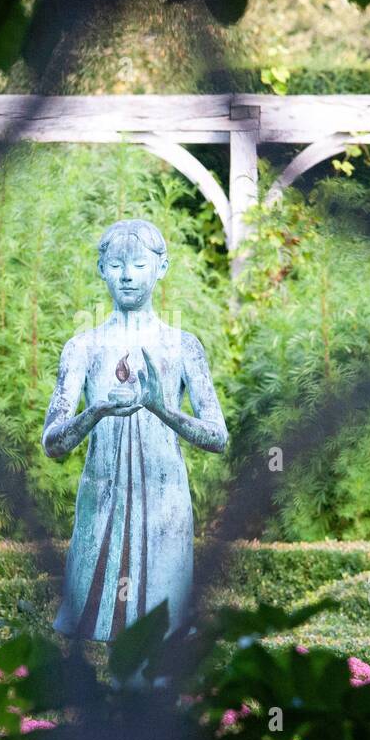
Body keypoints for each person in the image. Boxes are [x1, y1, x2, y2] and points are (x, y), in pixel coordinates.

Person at [42, 218, 227, 641]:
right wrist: (97, 410)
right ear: (101, 269)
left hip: (165, 507)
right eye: (117, 264)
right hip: (101, 502)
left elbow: (217, 436)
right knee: (89, 634)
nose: (127, 275)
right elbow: (53, 443)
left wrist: (163, 410)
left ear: (161, 268)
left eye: (139, 264)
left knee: (164, 636)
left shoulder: (184, 346)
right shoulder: (83, 348)